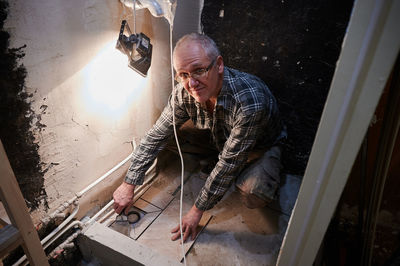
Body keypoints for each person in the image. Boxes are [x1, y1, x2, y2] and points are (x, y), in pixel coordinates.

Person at [113, 33, 286, 242]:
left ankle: (265, 171)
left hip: (258, 147)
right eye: (183, 74)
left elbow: (229, 163)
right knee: (167, 137)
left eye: (199, 71)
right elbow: (156, 135)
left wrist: (197, 210)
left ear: (219, 65)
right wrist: (128, 184)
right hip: (221, 137)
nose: (191, 83)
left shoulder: (250, 102)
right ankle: (215, 159)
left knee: (253, 193)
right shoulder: (184, 92)